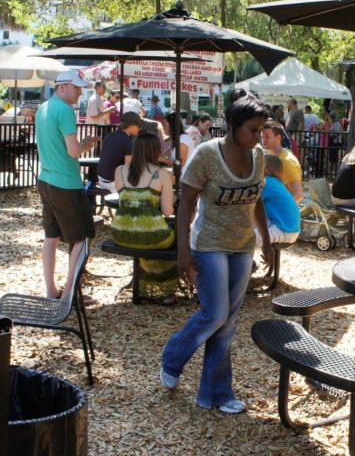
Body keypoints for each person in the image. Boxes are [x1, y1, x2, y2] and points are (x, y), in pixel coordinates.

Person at [161, 88, 273, 415]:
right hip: (209, 244)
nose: (259, 136)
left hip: (242, 247)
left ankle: (214, 393)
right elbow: (185, 206)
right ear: (235, 124)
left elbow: (257, 200)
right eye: (253, 129)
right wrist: (183, 252)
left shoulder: (258, 156)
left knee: (228, 322)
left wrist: (265, 240)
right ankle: (173, 355)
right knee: (215, 313)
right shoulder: (207, 155)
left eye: (262, 130)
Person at [35, 70, 100, 300]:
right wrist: (86, 144)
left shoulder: (43, 108)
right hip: (66, 183)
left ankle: (51, 290)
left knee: (51, 237)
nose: (80, 92)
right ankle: (71, 292)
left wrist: (82, 143)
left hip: (45, 179)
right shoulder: (65, 110)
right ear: (62, 87)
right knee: (81, 237)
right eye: (77, 87)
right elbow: (73, 151)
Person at [110, 132, 177, 304]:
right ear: (155, 151)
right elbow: (168, 212)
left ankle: (144, 286)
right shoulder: (161, 174)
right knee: (170, 238)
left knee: (147, 234)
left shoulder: (120, 171)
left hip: (121, 233)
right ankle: (165, 291)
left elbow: (128, 201)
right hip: (151, 235)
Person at [97, 112, 148, 194]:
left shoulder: (110, 135)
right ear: (131, 125)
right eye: (138, 125)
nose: (140, 128)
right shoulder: (126, 140)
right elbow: (128, 168)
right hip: (113, 183)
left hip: (101, 179)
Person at [259, 154, 301, 244]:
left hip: (284, 230)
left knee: (245, 239)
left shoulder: (267, 182)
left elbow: (249, 200)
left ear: (265, 168)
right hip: (289, 229)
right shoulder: (276, 182)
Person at [261, 120, 304, 202]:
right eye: (262, 137)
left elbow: (298, 194)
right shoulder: (269, 155)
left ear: (278, 138)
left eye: (267, 136)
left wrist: (279, 211)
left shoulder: (286, 161)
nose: (264, 140)